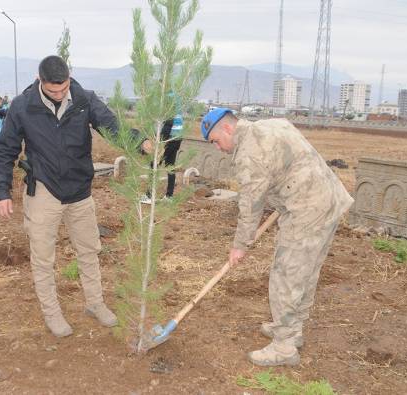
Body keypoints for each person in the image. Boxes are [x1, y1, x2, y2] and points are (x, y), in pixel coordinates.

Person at [0, 55, 148, 337]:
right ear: (40, 82)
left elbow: (112, 127)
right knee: (43, 257)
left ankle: (95, 303)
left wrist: (142, 143)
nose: (59, 94)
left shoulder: (83, 99)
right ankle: (52, 314)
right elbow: (5, 150)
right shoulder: (23, 106)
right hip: (43, 189)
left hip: (79, 190)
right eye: (53, 90)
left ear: (69, 78)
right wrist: (2, 192)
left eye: (63, 88)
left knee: (89, 250)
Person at [200, 108, 354, 366]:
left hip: (306, 210)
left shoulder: (248, 154)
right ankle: (293, 330)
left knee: (286, 275)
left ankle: (284, 346)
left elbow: (251, 205)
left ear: (228, 128)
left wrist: (240, 246)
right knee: (306, 272)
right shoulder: (271, 124)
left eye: (215, 140)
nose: (217, 147)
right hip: (329, 198)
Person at [140, 91, 184, 204]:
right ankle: (169, 196)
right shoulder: (176, 97)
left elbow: (168, 121)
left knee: (154, 164)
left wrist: (160, 142)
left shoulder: (168, 98)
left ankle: (149, 195)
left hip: (168, 137)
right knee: (170, 166)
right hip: (178, 136)